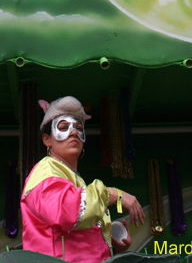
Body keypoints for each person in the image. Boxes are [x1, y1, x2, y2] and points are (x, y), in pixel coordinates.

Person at [21, 96, 145, 263]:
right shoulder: (46, 171)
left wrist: (112, 245)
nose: (73, 132)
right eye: (63, 127)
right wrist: (115, 194)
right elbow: (70, 212)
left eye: (78, 128)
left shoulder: (72, 179)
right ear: (47, 139)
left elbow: (78, 237)